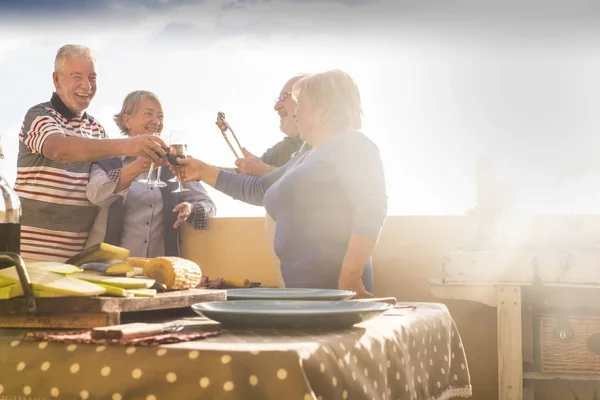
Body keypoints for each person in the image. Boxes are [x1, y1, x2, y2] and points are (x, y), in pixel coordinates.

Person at [172, 70, 388, 297]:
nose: (295, 113)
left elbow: (372, 208)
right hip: (300, 290)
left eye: (300, 104)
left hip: (336, 290)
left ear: (322, 109)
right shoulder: (304, 156)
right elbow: (260, 188)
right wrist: (202, 171)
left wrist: (350, 278)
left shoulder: (352, 143)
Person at [15, 44, 166, 262]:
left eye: (92, 78)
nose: (86, 85)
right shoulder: (40, 115)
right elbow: (60, 149)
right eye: (77, 77)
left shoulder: (97, 129)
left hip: (77, 259)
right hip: (31, 255)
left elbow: (107, 187)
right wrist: (129, 144)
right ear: (57, 79)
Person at [85, 90, 216, 257]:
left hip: (157, 271)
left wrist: (192, 209)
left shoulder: (173, 164)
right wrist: (138, 167)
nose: (156, 121)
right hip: (106, 266)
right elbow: (96, 195)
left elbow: (208, 204)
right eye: (148, 114)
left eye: (160, 117)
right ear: (127, 120)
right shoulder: (107, 159)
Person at [232, 74, 308, 176]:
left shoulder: (326, 142)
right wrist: (203, 169)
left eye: (284, 97)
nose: (276, 107)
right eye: (278, 99)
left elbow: (307, 181)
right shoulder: (281, 149)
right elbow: (242, 176)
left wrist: (264, 170)